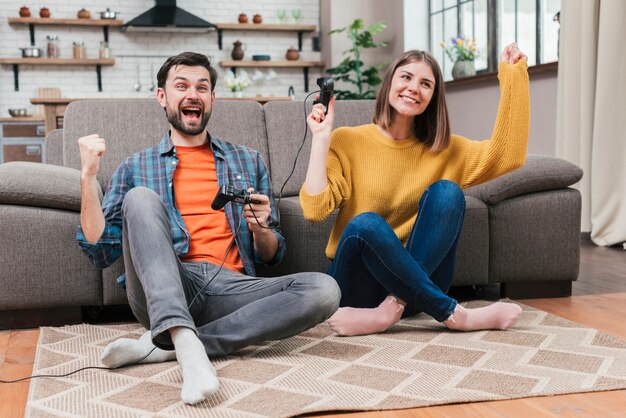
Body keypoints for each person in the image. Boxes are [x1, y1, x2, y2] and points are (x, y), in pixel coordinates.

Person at [76, 51, 340, 405]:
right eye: (181, 85)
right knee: (139, 198)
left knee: (325, 289)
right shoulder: (134, 166)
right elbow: (98, 250)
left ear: (212, 98)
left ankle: (171, 346)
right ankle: (180, 336)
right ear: (162, 97)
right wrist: (88, 176)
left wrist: (262, 229)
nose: (193, 94)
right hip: (165, 283)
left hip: (232, 288)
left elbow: (273, 255)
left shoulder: (247, 160)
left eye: (202, 87)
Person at [301, 43, 529, 337]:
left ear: (433, 96)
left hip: (412, 287)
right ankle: (456, 315)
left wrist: (513, 76)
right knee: (365, 224)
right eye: (406, 77)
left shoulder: (446, 149)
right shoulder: (347, 140)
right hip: (355, 285)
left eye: (425, 84)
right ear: (390, 83)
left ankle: (390, 310)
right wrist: (321, 138)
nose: (413, 88)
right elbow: (314, 210)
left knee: (448, 192)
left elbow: (508, 156)